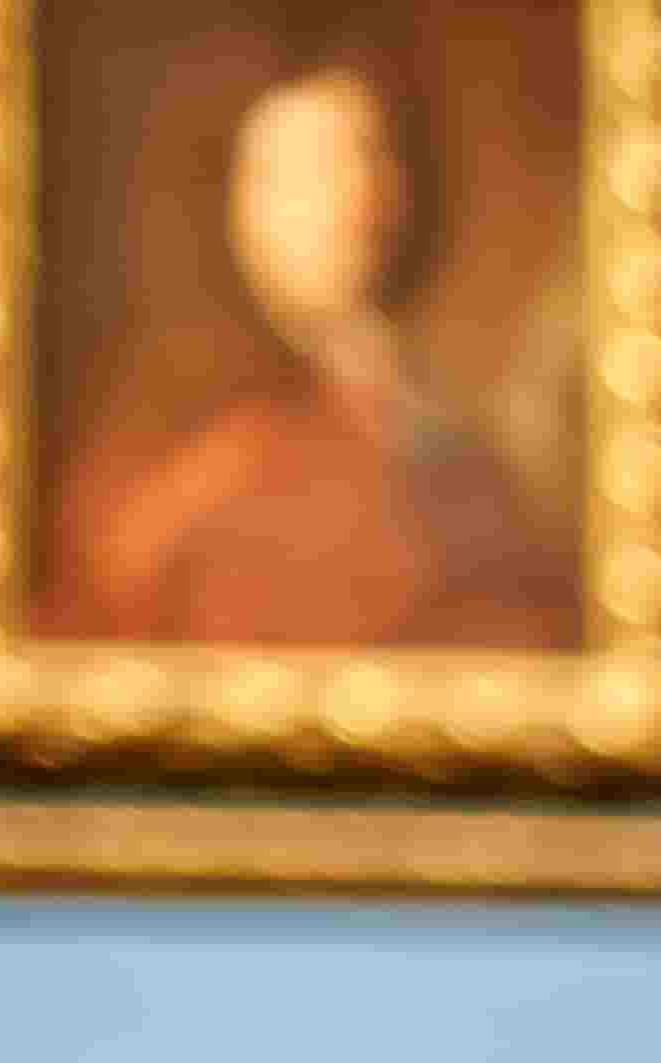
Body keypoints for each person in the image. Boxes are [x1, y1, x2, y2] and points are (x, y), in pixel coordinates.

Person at [42, 38, 580, 654]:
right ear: (237, 202)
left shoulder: (446, 427)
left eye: (367, 158)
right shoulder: (174, 427)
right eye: (306, 174)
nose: (351, 199)